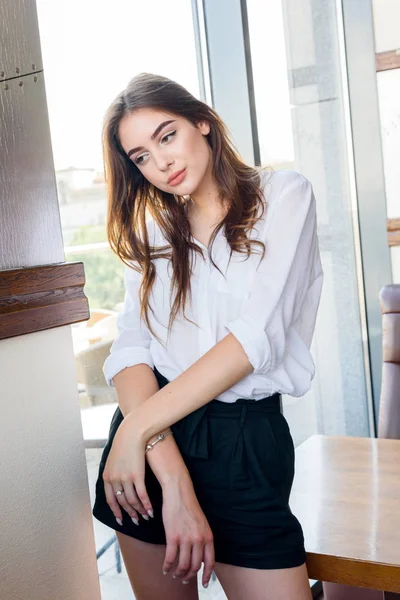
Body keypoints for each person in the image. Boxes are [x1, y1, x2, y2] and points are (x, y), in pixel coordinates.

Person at [92, 72, 323, 600]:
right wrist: (166, 472)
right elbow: (130, 350)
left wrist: (134, 431)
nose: (161, 162)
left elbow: (253, 341)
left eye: (166, 135)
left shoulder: (283, 196)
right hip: (155, 449)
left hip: (240, 443)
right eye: (141, 156)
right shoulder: (152, 233)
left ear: (202, 122)